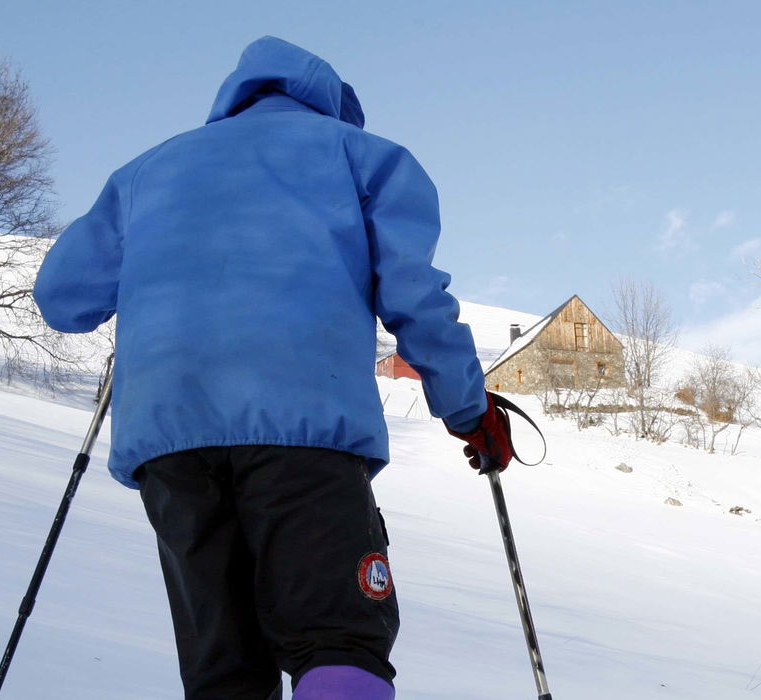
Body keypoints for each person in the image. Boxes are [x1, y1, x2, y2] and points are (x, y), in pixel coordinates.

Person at [34, 36, 516, 700]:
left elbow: (61, 298)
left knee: (224, 671)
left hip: (171, 442)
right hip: (303, 430)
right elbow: (414, 298)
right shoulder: (361, 156)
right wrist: (468, 409)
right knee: (338, 641)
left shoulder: (145, 173)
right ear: (333, 108)